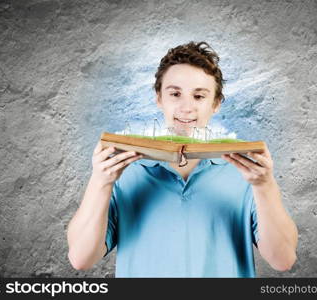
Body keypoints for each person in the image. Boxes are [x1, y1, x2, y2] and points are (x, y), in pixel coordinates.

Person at [67, 41, 298, 277]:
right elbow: (81, 258)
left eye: (199, 96)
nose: (187, 108)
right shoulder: (121, 170)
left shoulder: (247, 173)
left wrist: (264, 185)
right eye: (175, 94)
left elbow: (283, 260)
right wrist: (100, 182)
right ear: (159, 98)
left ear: (216, 104)